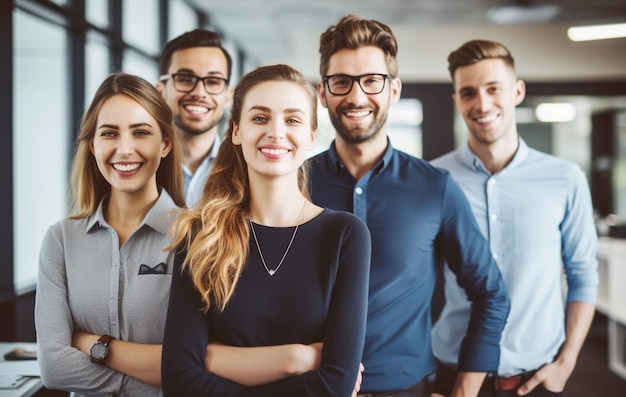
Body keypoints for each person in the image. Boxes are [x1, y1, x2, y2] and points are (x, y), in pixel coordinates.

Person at [307, 14, 511, 397]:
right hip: (307, 385)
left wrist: (465, 391)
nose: (355, 96)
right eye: (341, 82)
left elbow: (490, 294)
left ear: (394, 90)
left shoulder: (434, 188)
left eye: (372, 81)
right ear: (323, 92)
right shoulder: (293, 184)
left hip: (406, 387)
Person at [161, 63, 372, 397]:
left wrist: (214, 363)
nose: (276, 132)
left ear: (310, 137)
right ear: (236, 132)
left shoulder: (345, 235)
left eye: (292, 120)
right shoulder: (201, 233)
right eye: (260, 118)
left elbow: (337, 384)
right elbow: (179, 380)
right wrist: (296, 359)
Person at [430, 39, 598, 397]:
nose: (483, 103)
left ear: (517, 91)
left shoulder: (565, 178)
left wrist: (566, 363)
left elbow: (583, 275)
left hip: (535, 378)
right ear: (457, 101)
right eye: (469, 93)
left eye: (494, 89)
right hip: (451, 374)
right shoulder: (433, 180)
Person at [35, 72, 186, 396]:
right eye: (110, 133)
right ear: (93, 145)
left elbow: (196, 365)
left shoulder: (196, 236)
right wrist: (153, 380)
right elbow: (54, 367)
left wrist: (93, 345)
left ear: (164, 144)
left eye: (141, 132)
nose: (125, 149)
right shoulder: (60, 241)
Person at [157, 28, 234, 207]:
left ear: (228, 96)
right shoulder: (137, 164)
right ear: (160, 91)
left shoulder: (244, 170)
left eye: (213, 82)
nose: (199, 93)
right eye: (185, 79)